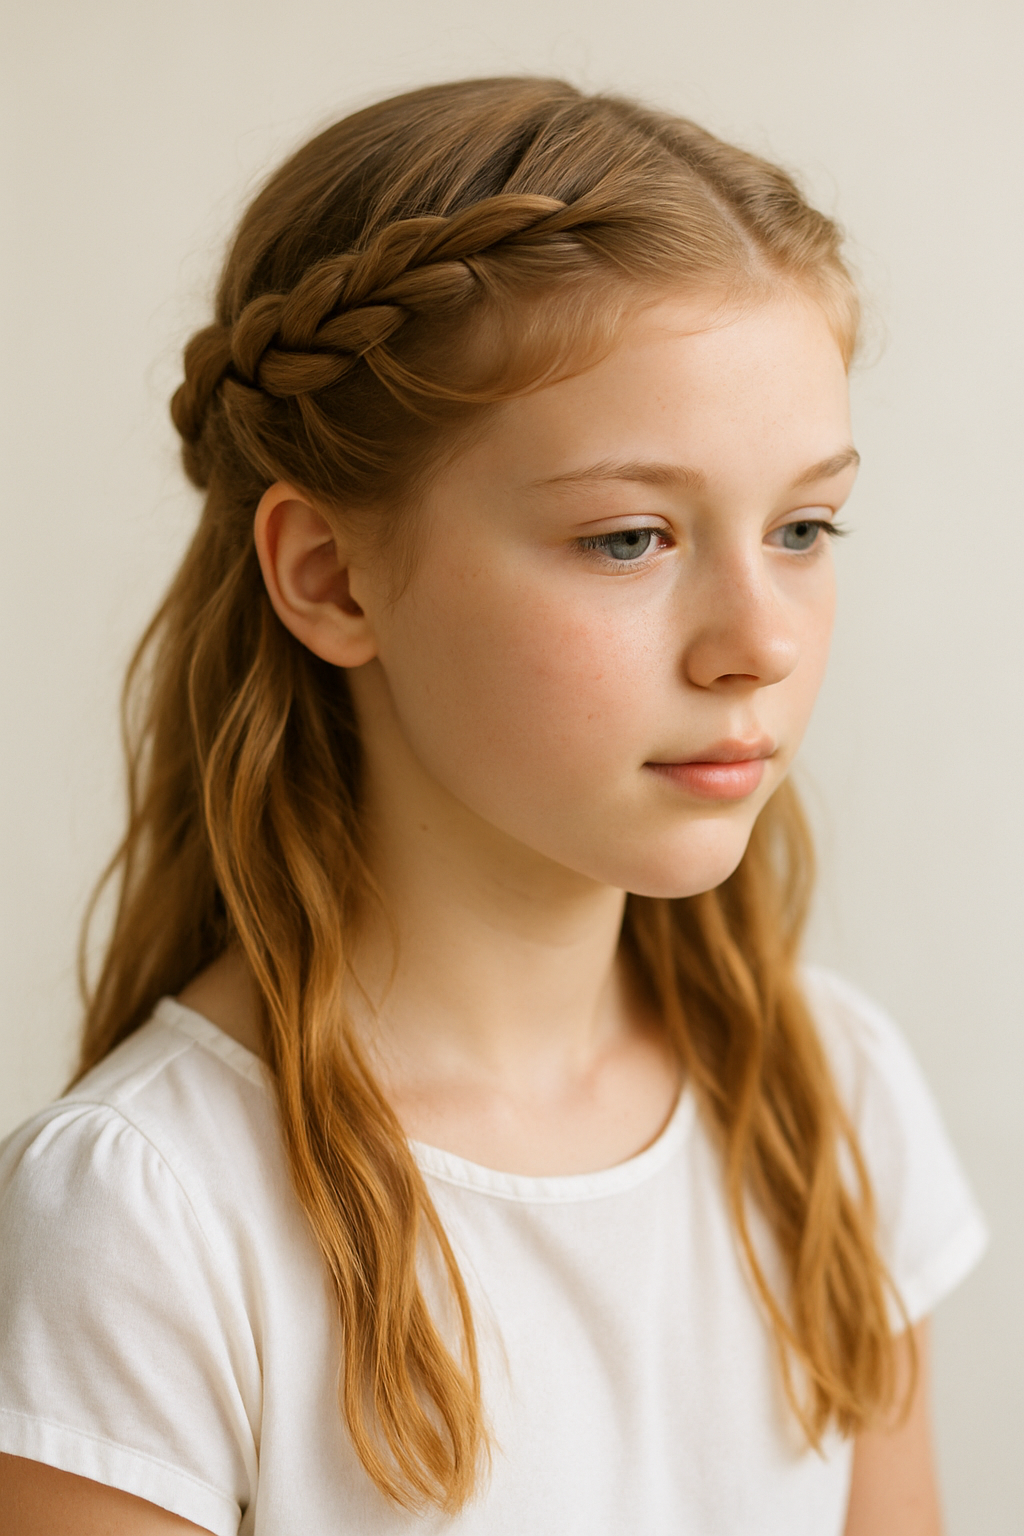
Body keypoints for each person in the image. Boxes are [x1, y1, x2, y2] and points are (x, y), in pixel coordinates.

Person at [0, 77, 986, 1535]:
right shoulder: (149, 1216)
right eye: (629, 537)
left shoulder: (826, 1102)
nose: (759, 641)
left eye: (803, 527)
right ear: (330, 576)